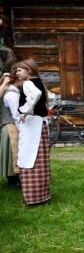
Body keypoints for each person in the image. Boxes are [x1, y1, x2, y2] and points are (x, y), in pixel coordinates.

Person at [13, 59, 51, 206]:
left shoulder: (29, 83)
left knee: (29, 158)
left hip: (32, 125)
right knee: (40, 160)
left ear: (29, 70)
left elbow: (35, 95)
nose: (16, 73)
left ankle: (33, 198)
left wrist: (24, 110)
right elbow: (49, 99)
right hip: (40, 124)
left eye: (19, 70)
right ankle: (43, 195)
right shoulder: (39, 81)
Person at [1, 71, 21, 188]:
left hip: (7, 126)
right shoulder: (11, 93)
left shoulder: (6, 91)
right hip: (11, 126)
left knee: (11, 154)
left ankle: (12, 180)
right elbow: (16, 115)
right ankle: (14, 180)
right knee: (14, 154)